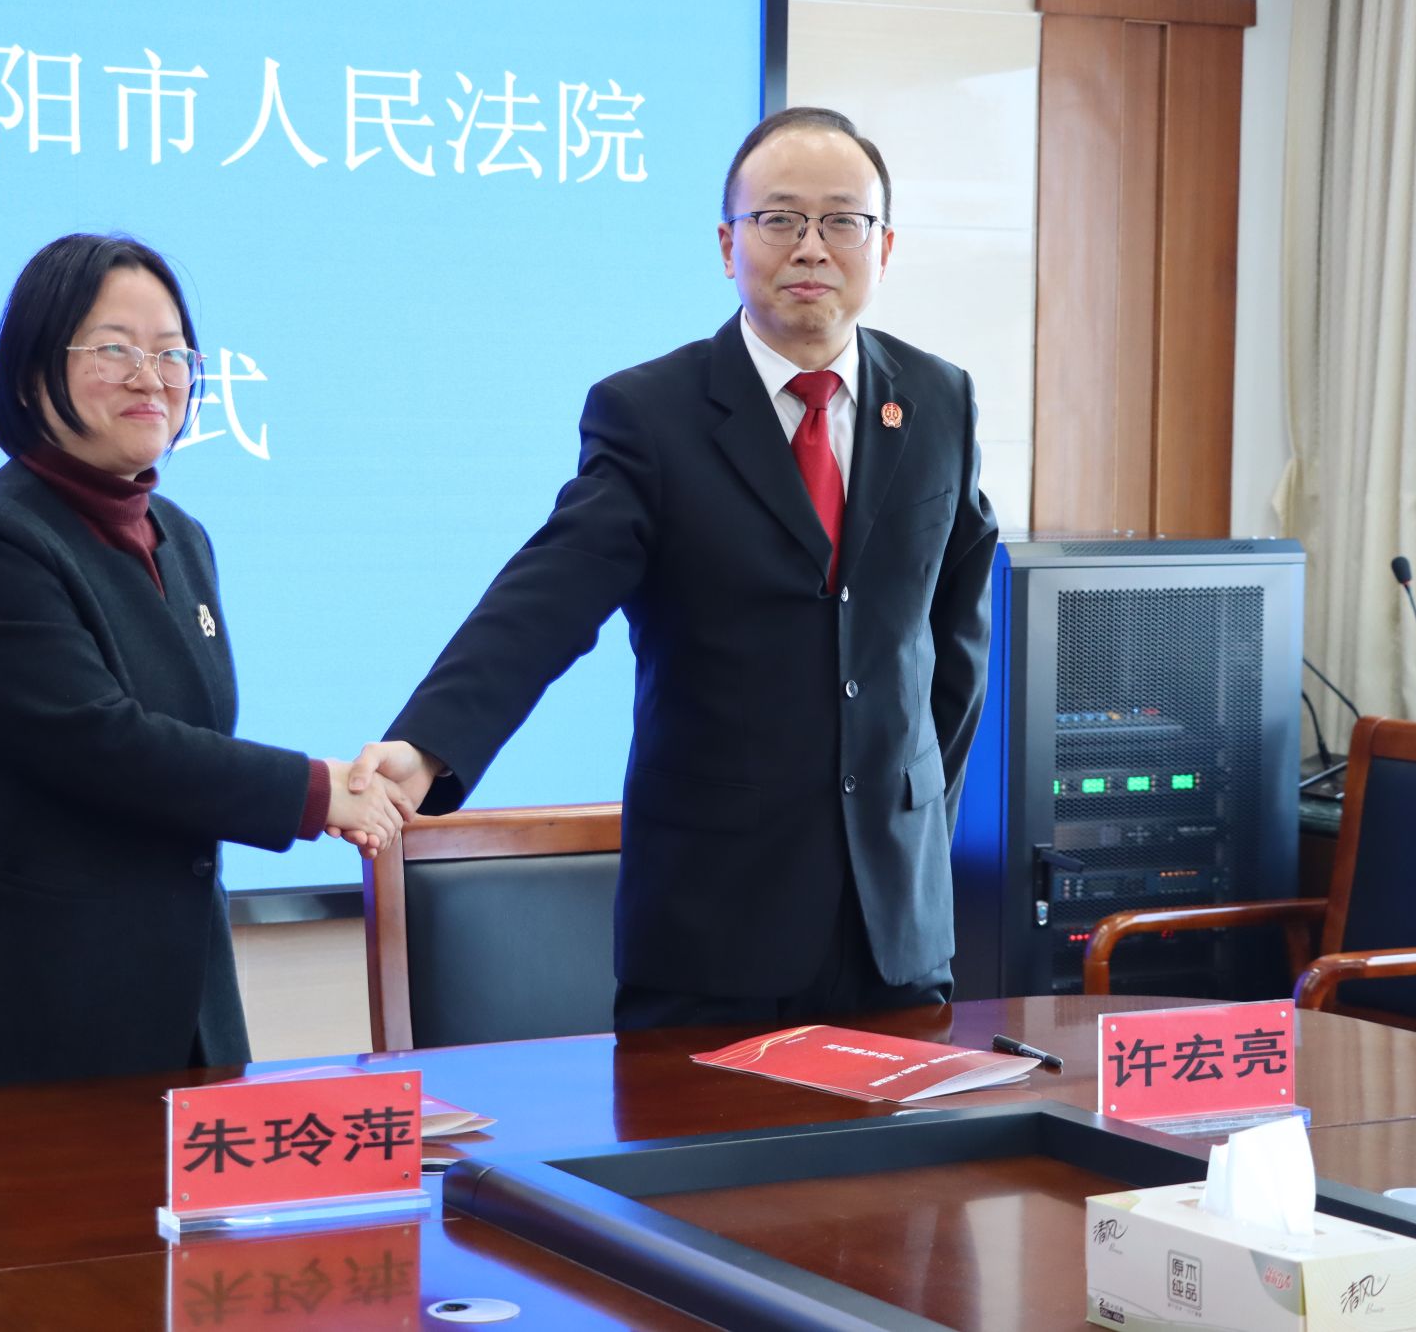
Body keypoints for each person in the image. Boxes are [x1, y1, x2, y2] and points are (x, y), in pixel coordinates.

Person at [350, 108, 998, 1030]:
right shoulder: (650, 414)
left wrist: (914, 814)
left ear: (884, 246)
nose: (811, 246)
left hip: (895, 927)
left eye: (842, 220)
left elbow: (954, 644)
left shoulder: (940, 401)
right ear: (727, 242)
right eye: (779, 218)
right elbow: (550, 593)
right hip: (715, 926)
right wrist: (428, 744)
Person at [0, 234, 408, 1093]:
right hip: (25, 1029)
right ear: (31, 373)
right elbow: (99, 742)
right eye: (114, 349)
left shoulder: (182, 538)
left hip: (186, 1011)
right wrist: (314, 790)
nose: (150, 377)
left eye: (171, 353)